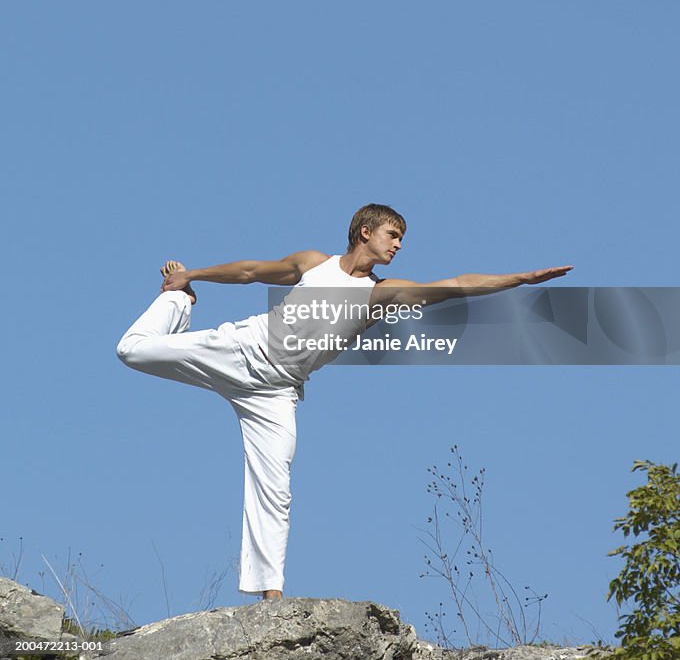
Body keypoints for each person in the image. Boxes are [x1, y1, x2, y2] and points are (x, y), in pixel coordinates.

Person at [116, 203, 572, 600]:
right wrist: (191, 276)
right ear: (365, 232)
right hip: (243, 349)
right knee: (132, 350)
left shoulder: (380, 294)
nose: (399, 245)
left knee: (275, 487)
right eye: (394, 235)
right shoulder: (313, 263)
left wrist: (519, 279)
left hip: (276, 392)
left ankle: (270, 593)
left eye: (401, 239)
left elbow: (453, 285)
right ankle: (179, 304)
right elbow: (251, 272)